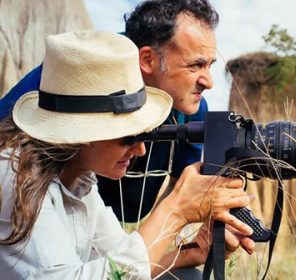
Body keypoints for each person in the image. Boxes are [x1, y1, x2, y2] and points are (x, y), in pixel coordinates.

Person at [0, 1, 254, 278]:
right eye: (129, 136)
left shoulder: (82, 180)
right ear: (79, 131)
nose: (142, 149)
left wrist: (196, 251)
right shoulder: (15, 176)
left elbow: (123, 262)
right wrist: (176, 209)